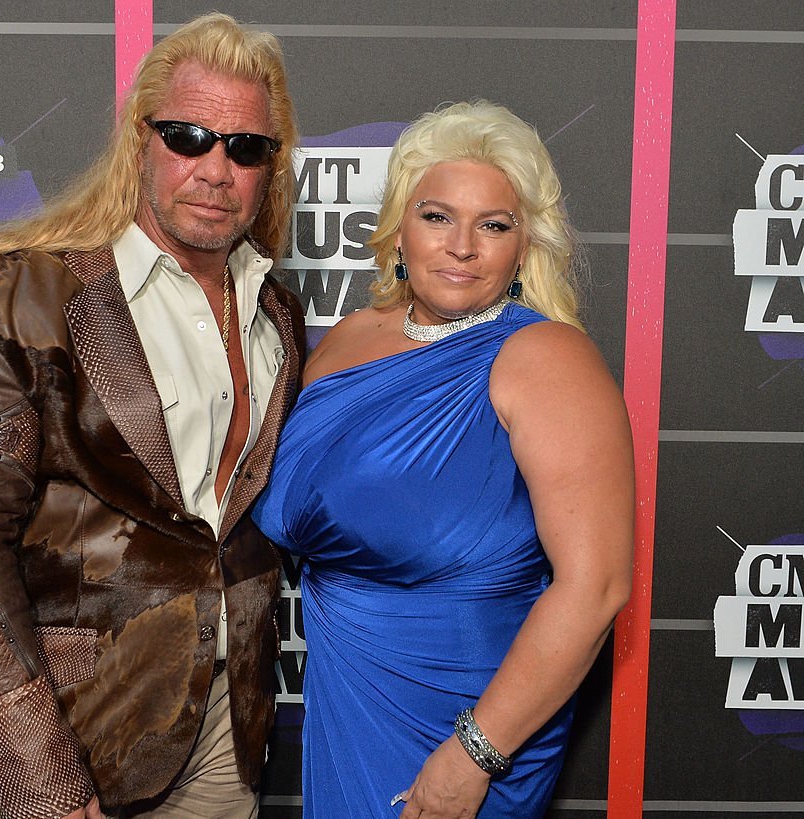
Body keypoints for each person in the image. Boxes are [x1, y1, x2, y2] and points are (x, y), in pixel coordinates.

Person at [0, 13, 305, 819]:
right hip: (73, 726)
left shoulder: (277, 316)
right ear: (141, 141)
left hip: (228, 729)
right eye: (188, 136)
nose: (216, 168)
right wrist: (36, 778)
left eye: (245, 147)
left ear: (270, 168)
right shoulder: (11, 299)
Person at [252, 99, 634, 818]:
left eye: (494, 224)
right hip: (351, 704)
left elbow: (598, 586)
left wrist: (477, 751)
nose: (463, 245)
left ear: (524, 247)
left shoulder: (546, 357)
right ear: (399, 227)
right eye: (436, 216)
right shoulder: (341, 341)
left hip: (472, 721)